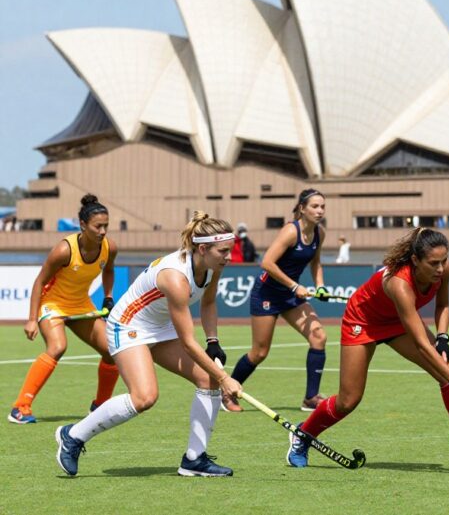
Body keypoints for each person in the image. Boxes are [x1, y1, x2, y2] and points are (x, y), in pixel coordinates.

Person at [286, 228, 449, 472]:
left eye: (444, 261)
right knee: (348, 401)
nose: (441, 268)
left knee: (447, 368)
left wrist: (443, 337)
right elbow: (422, 345)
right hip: (363, 321)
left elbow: (443, 304)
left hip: (396, 321)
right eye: (434, 263)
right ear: (415, 260)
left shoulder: (444, 270)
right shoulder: (400, 284)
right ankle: (302, 435)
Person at [54, 212, 241, 477]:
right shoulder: (175, 278)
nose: (229, 257)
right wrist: (224, 378)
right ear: (203, 248)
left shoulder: (212, 268)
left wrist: (213, 342)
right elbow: (188, 342)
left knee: (206, 380)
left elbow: (208, 303)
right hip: (128, 325)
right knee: (144, 397)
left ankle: (194, 460)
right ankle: (72, 436)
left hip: (159, 325)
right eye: (223, 251)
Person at [9, 195, 120, 425]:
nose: (102, 231)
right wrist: (32, 319)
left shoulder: (109, 248)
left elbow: (109, 271)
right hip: (53, 304)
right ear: (83, 226)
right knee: (58, 346)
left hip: (80, 304)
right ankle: (20, 408)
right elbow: (39, 282)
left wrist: (108, 296)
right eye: (97, 226)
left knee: (112, 350)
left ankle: (100, 406)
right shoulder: (64, 250)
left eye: (106, 226)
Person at [221, 189, 330, 413]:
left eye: (322, 207)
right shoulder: (290, 231)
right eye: (315, 206)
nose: (319, 211)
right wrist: (294, 286)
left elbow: (315, 262)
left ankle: (310, 398)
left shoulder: (320, 233)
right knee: (259, 352)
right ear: (302, 208)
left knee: (318, 336)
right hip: (267, 294)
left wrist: (320, 285)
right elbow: (267, 263)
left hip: (290, 296)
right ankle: (226, 393)